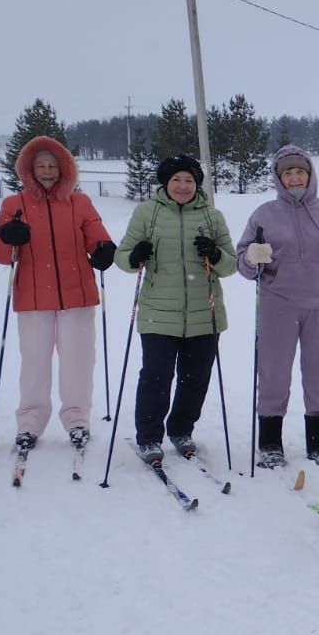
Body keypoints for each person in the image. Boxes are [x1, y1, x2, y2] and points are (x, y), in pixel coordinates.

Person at [0, 136, 115, 459]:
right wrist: (8, 238)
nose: (47, 171)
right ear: (29, 170)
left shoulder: (79, 202)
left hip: (78, 295)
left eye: (52, 166)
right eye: (40, 166)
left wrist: (102, 250)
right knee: (34, 362)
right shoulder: (13, 204)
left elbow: (97, 235)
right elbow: (1, 255)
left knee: (78, 360)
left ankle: (77, 419)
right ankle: (30, 422)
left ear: (64, 169)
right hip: (32, 297)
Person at [113, 155, 236, 463]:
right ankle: (149, 436)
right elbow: (122, 255)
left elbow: (231, 264)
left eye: (190, 180)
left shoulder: (212, 216)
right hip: (158, 312)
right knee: (156, 376)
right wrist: (135, 256)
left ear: (198, 184)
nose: (183, 186)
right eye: (177, 180)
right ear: (165, 184)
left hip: (204, 313)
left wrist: (215, 253)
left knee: (195, 378)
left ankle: (181, 429)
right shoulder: (147, 214)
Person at [235, 145, 319, 470]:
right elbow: (241, 262)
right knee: (274, 373)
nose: (295, 177)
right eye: (288, 173)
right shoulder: (264, 214)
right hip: (277, 303)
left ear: (310, 176)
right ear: (279, 178)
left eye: (300, 172)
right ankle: (270, 443)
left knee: (318, 374)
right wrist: (251, 257)